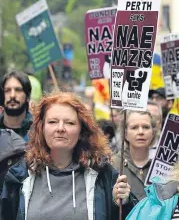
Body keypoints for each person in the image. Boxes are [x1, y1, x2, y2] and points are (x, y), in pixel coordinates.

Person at [1, 91, 136, 220]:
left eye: (69, 123)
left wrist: (122, 203)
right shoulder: (19, 175)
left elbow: (131, 215)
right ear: (41, 128)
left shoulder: (102, 174)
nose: (60, 128)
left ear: (81, 130)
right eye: (52, 122)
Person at [112, 110, 157, 201]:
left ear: (153, 132)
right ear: (125, 134)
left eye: (146, 127)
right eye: (134, 127)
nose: (141, 132)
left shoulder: (162, 163)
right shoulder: (113, 164)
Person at [0, 71, 33, 141]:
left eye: (18, 90)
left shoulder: (37, 130)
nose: (12, 95)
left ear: (28, 97)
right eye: (7, 90)